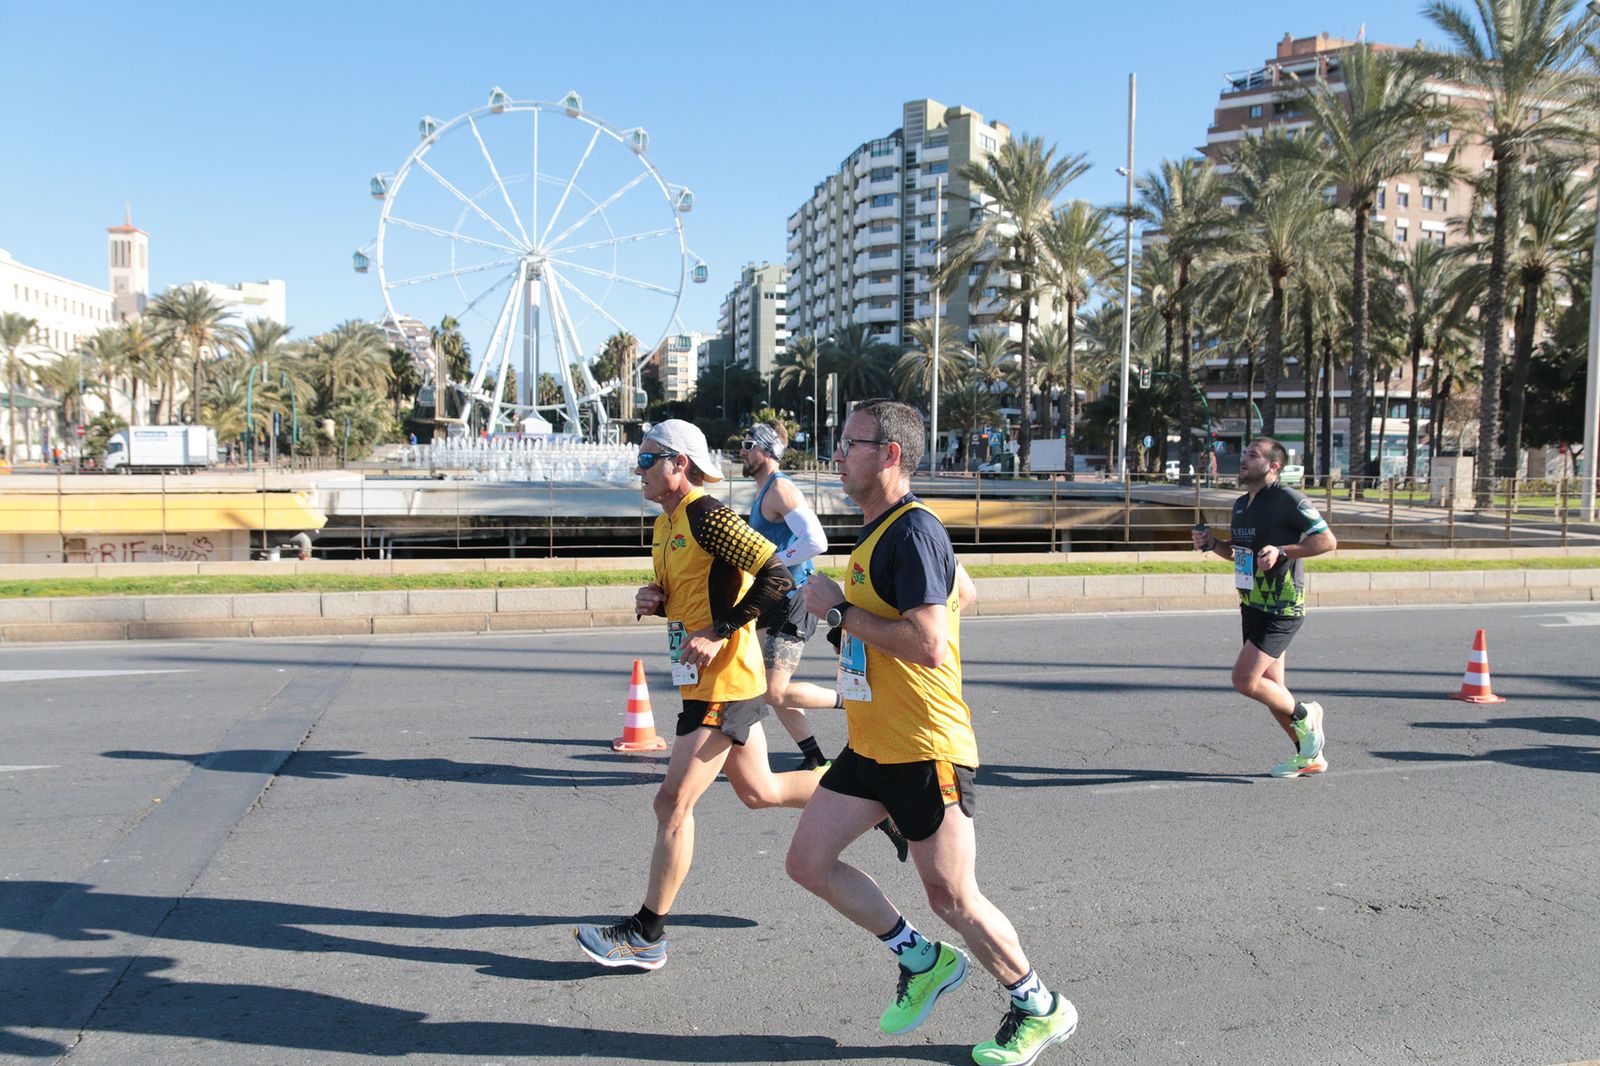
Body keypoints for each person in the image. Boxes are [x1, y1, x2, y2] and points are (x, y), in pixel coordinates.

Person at [789, 399, 1077, 1066]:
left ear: (890, 455)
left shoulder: (912, 532)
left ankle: (1040, 1004)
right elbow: (963, 592)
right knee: (808, 862)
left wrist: (839, 613)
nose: (838, 454)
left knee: (953, 896)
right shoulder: (887, 530)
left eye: (850, 443)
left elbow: (928, 644)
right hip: (873, 745)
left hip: (926, 747)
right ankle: (922, 961)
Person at [574, 419, 821, 971]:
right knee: (759, 791)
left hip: (724, 680)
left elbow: (777, 575)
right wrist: (657, 600)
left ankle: (646, 934)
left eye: (645, 460)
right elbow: (696, 590)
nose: (636, 469)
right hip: (700, 679)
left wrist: (718, 632)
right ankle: (865, 797)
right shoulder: (667, 523)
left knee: (672, 802)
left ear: (677, 463)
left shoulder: (708, 515)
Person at [1192, 436, 1338, 778]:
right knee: (1273, 690)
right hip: (1252, 604)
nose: (1243, 459)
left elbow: (1326, 540)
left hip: (1282, 606)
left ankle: (1306, 715)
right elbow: (1239, 554)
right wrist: (1212, 543)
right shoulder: (1242, 503)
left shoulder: (1288, 498)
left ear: (1273, 466)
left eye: (1253, 455)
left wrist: (1283, 551)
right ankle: (1308, 756)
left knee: (1244, 679)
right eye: (1244, 453)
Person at [739, 419, 837, 771]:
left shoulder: (780, 489)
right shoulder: (764, 492)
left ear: (766, 451)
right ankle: (813, 756)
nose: (742, 451)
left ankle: (851, 700)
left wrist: (774, 561)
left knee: (773, 690)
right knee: (771, 686)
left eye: (749, 445)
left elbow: (816, 541)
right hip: (772, 599)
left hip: (792, 598)